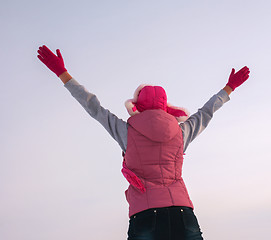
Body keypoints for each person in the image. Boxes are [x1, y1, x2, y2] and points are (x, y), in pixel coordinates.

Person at [37, 45, 250, 240]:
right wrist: (229, 87)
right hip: (182, 211)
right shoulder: (181, 132)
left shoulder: (126, 131)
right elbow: (206, 112)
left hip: (145, 214)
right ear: (166, 106)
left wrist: (62, 74)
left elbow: (94, 107)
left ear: (137, 105)